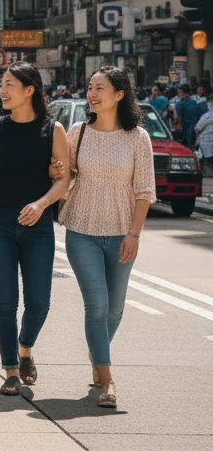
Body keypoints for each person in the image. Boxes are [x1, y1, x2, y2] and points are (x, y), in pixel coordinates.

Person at [0, 63, 70, 396]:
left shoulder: (53, 130)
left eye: (9, 84)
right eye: (1, 84)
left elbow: (64, 179)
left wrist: (41, 204)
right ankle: (10, 370)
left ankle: (25, 348)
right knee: (5, 302)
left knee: (39, 302)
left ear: (29, 90)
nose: (2, 90)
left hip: (38, 226)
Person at [62, 66, 156, 410]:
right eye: (90, 87)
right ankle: (106, 379)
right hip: (81, 230)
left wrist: (134, 234)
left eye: (100, 88)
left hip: (121, 234)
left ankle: (97, 352)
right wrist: (57, 171)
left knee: (114, 309)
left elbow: (145, 191)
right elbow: (63, 175)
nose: (92, 94)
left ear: (119, 95)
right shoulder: (77, 132)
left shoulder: (138, 138)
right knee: (97, 304)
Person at [178, 84, 204, 149]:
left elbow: (177, 117)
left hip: (186, 127)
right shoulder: (195, 102)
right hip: (196, 127)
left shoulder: (180, 103)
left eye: (179, 92)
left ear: (181, 92)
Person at [195, 100, 213, 175]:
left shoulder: (206, 116)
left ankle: (208, 172)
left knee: (207, 158)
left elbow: (197, 128)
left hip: (205, 141)